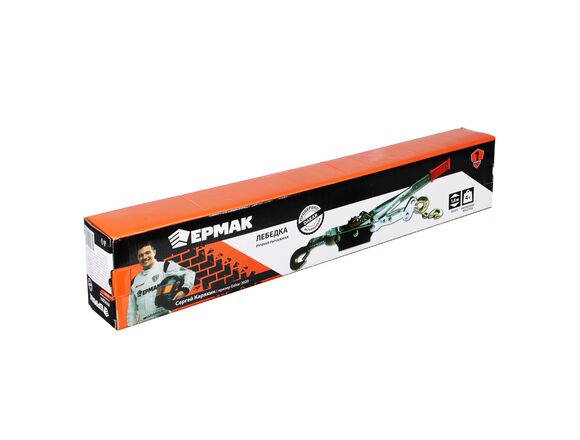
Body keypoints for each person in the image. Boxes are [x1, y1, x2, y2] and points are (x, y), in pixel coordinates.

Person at [127, 241, 195, 326]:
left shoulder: (165, 266)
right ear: (138, 258)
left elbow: (189, 273)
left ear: (154, 252)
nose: (144, 257)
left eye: (147, 253)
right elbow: (131, 311)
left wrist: (184, 290)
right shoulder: (135, 281)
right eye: (141, 255)